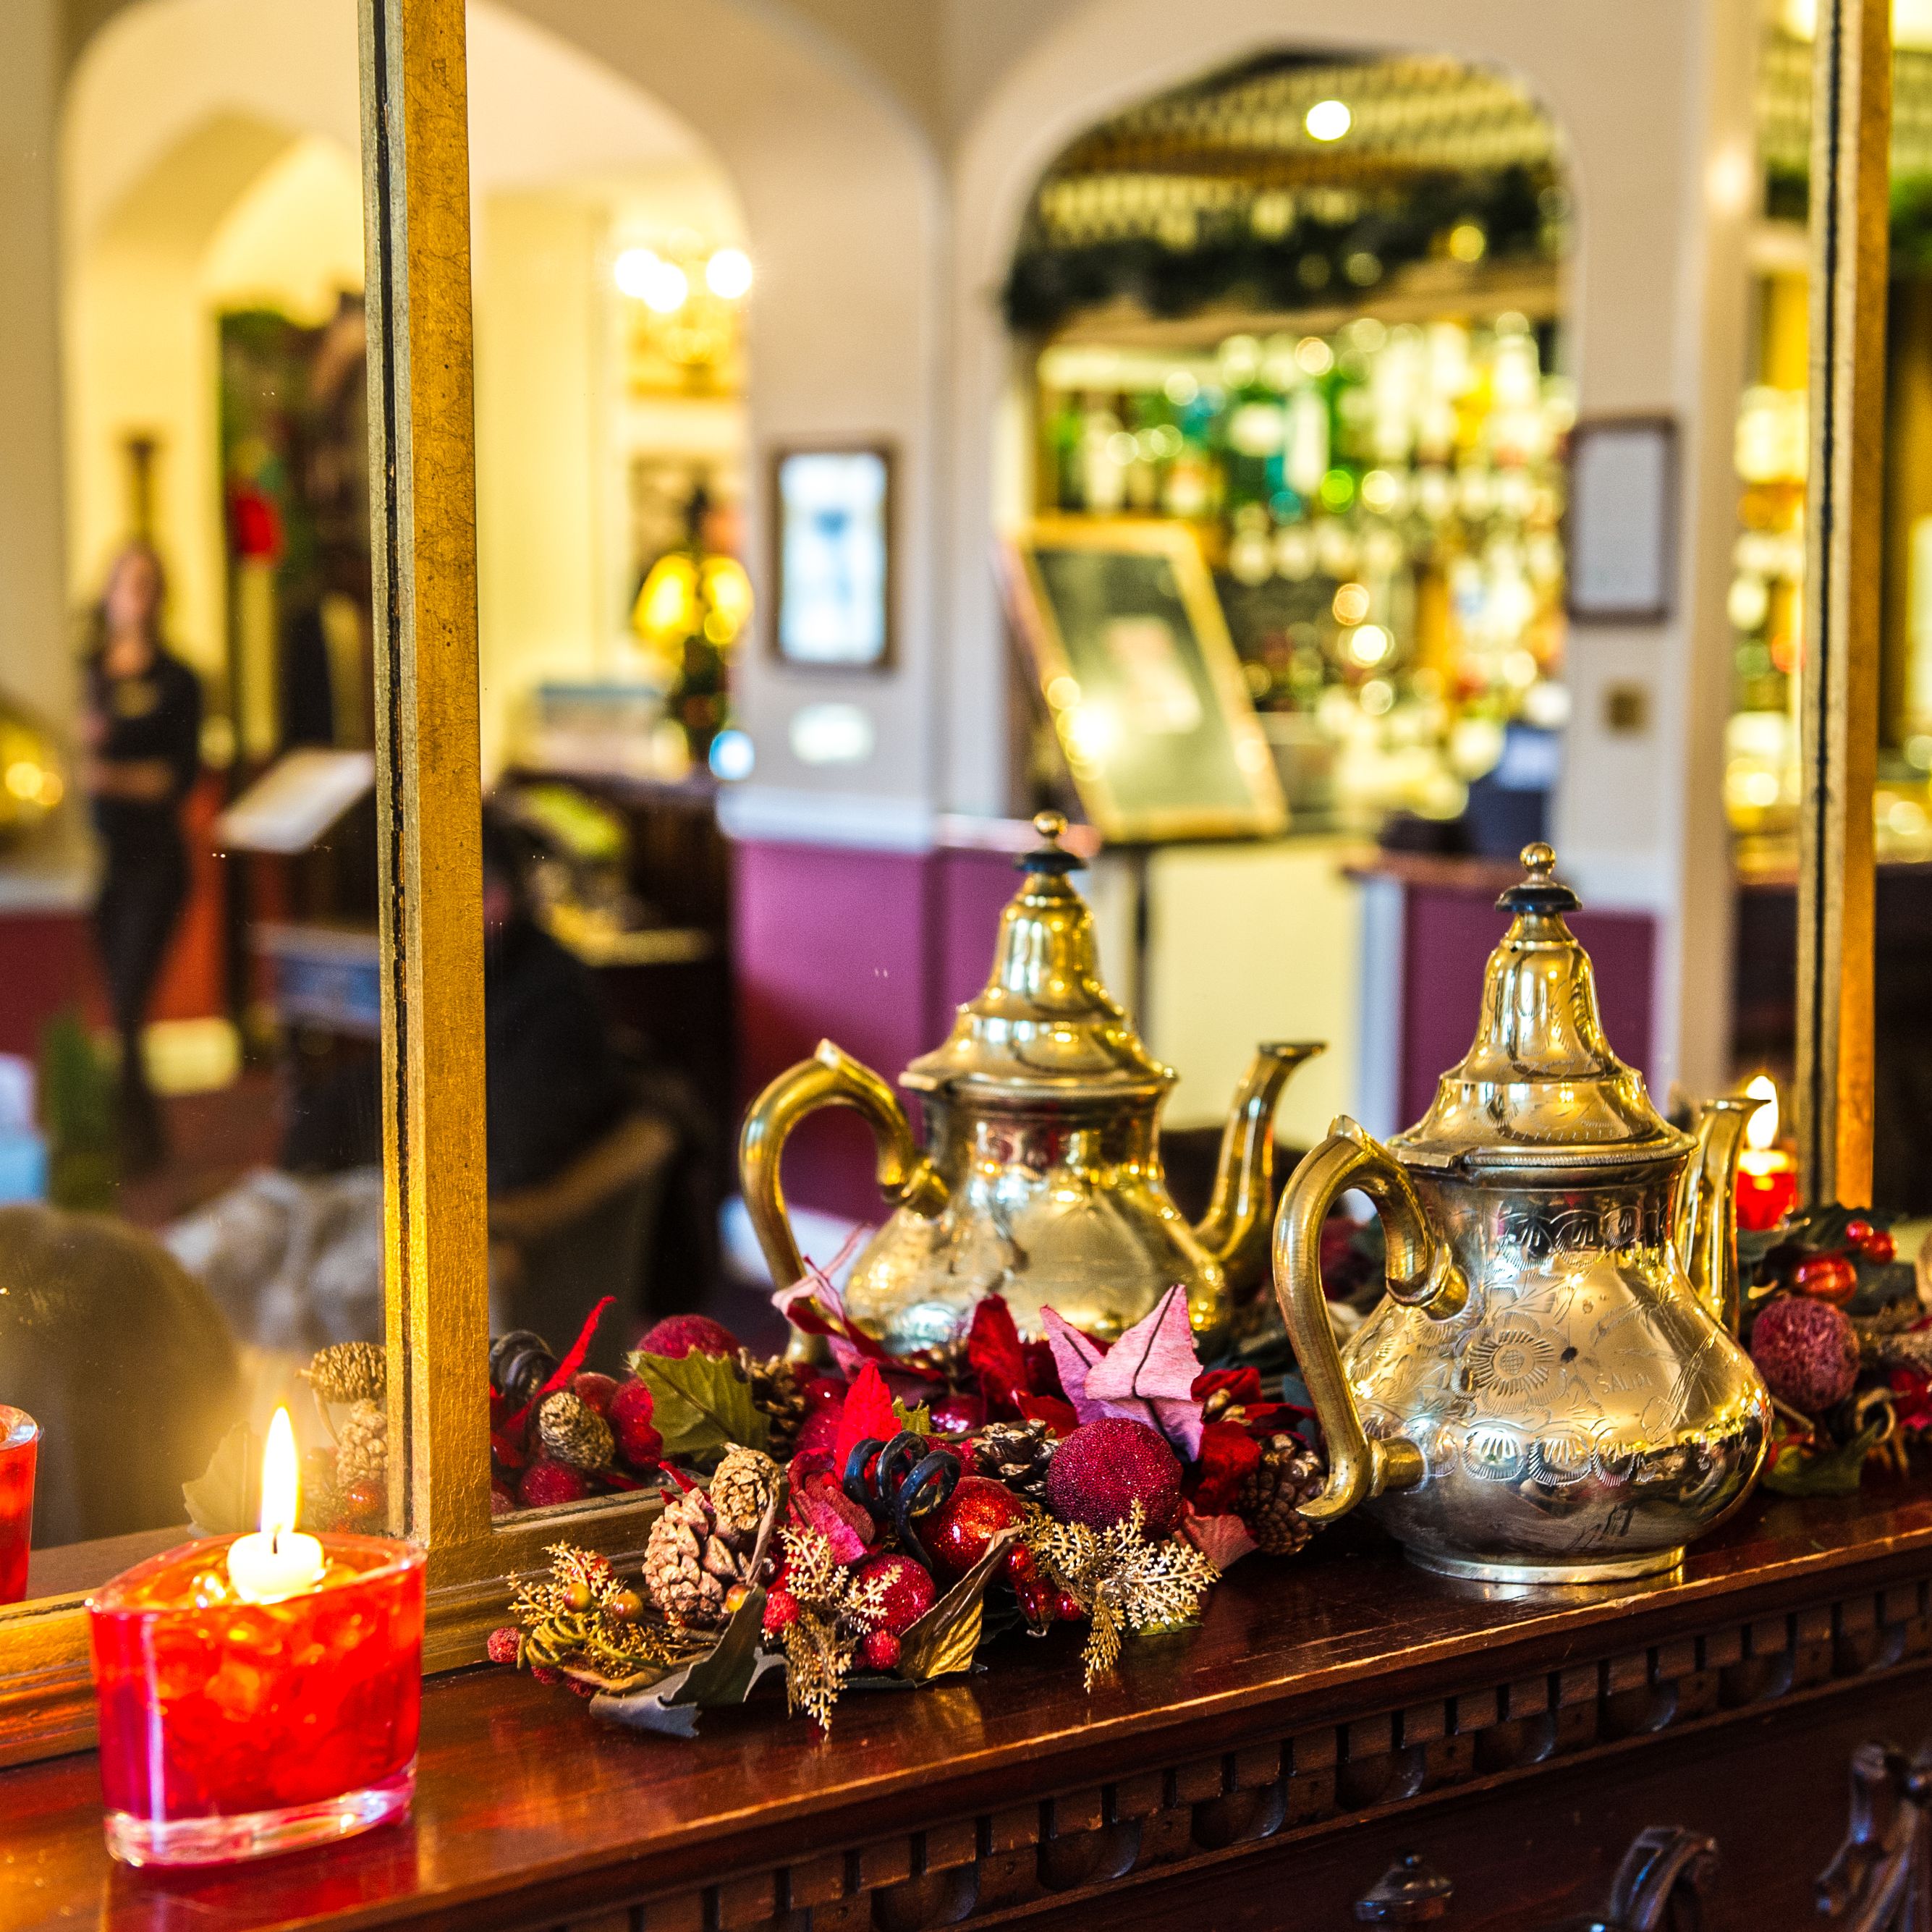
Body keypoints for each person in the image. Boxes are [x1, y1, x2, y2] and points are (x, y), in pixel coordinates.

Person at [82, 543, 203, 1175]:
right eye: (129, 583)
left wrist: (102, 775)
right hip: (98, 862)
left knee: (130, 1004)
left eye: (150, 583)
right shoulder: (85, 672)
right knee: (116, 1012)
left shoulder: (179, 680)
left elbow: (174, 778)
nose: (139, 595)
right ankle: (139, 1141)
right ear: (107, 592)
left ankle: (137, 1152)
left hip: (156, 865)